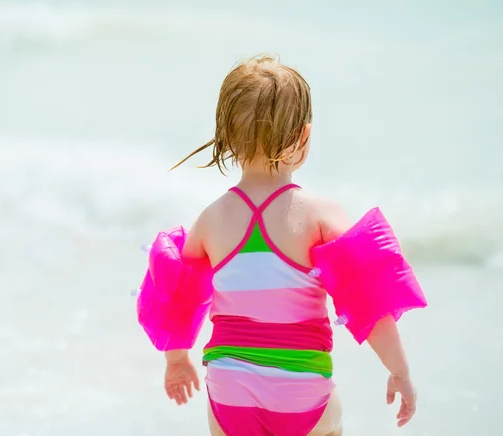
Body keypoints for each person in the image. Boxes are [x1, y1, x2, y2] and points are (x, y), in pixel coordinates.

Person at [162, 55, 417, 436]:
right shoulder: (319, 216)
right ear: (305, 136)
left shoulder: (211, 219)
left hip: (229, 390)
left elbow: (178, 296)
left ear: (227, 137)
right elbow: (371, 303)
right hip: (301, 393)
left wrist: (177, 360)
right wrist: (400, 372)